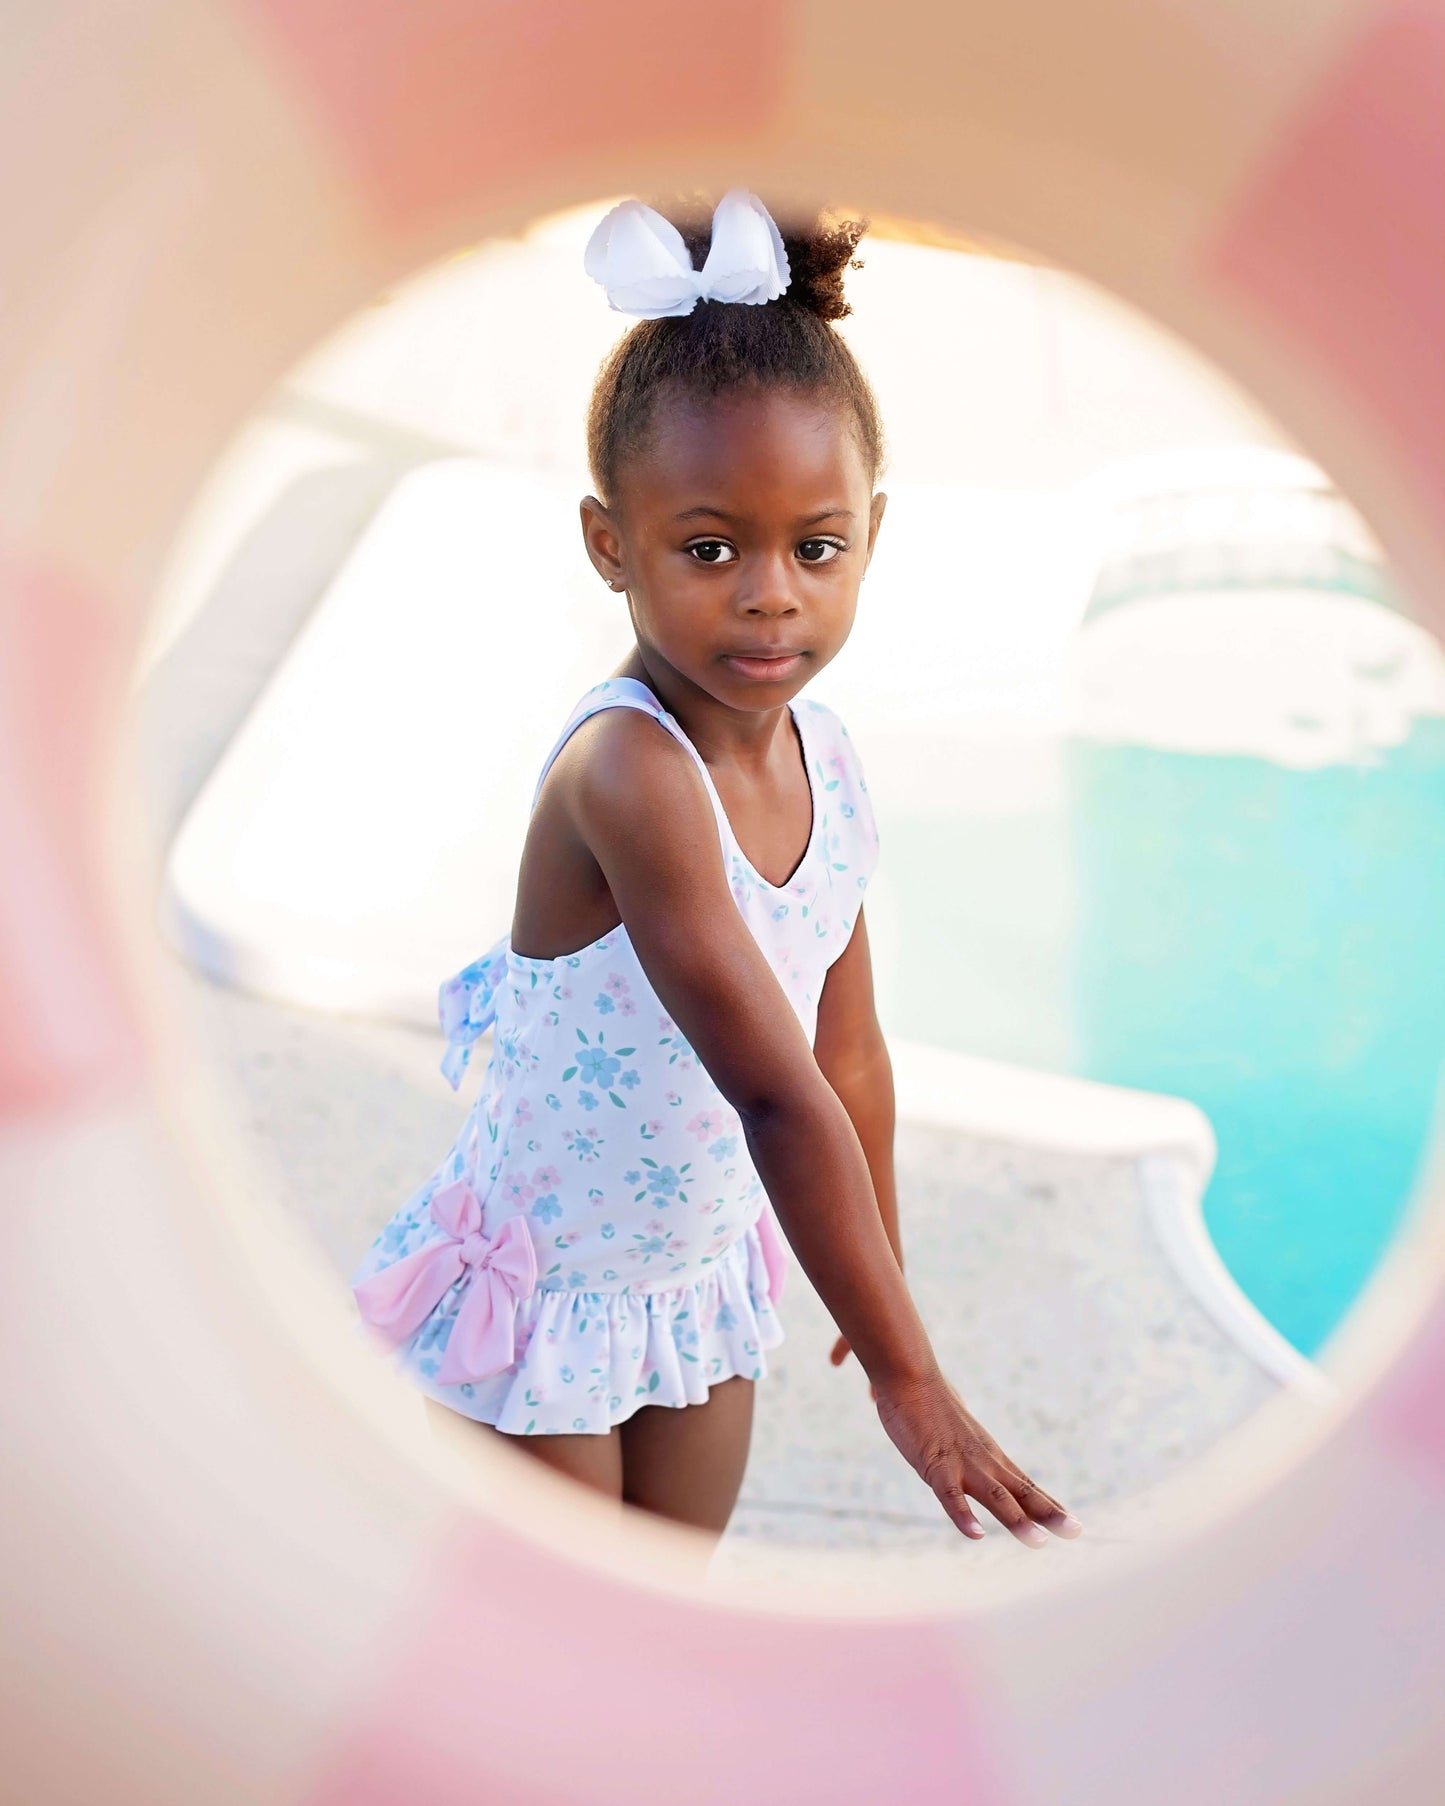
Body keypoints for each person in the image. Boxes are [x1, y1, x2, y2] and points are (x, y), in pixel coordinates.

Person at [350, 188, 1084, 1554]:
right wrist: (909, 1373)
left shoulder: (832, 761)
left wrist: (885, 1290)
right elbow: (772, 1086)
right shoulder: (628, 776)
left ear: (872, 533)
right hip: (546, 1291)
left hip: (689, 1279)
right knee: (570, 1630)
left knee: (667, 1602)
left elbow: (847, 1057)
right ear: (608, 543)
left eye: (815, 546)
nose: (768, 593)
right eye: (707, 548)